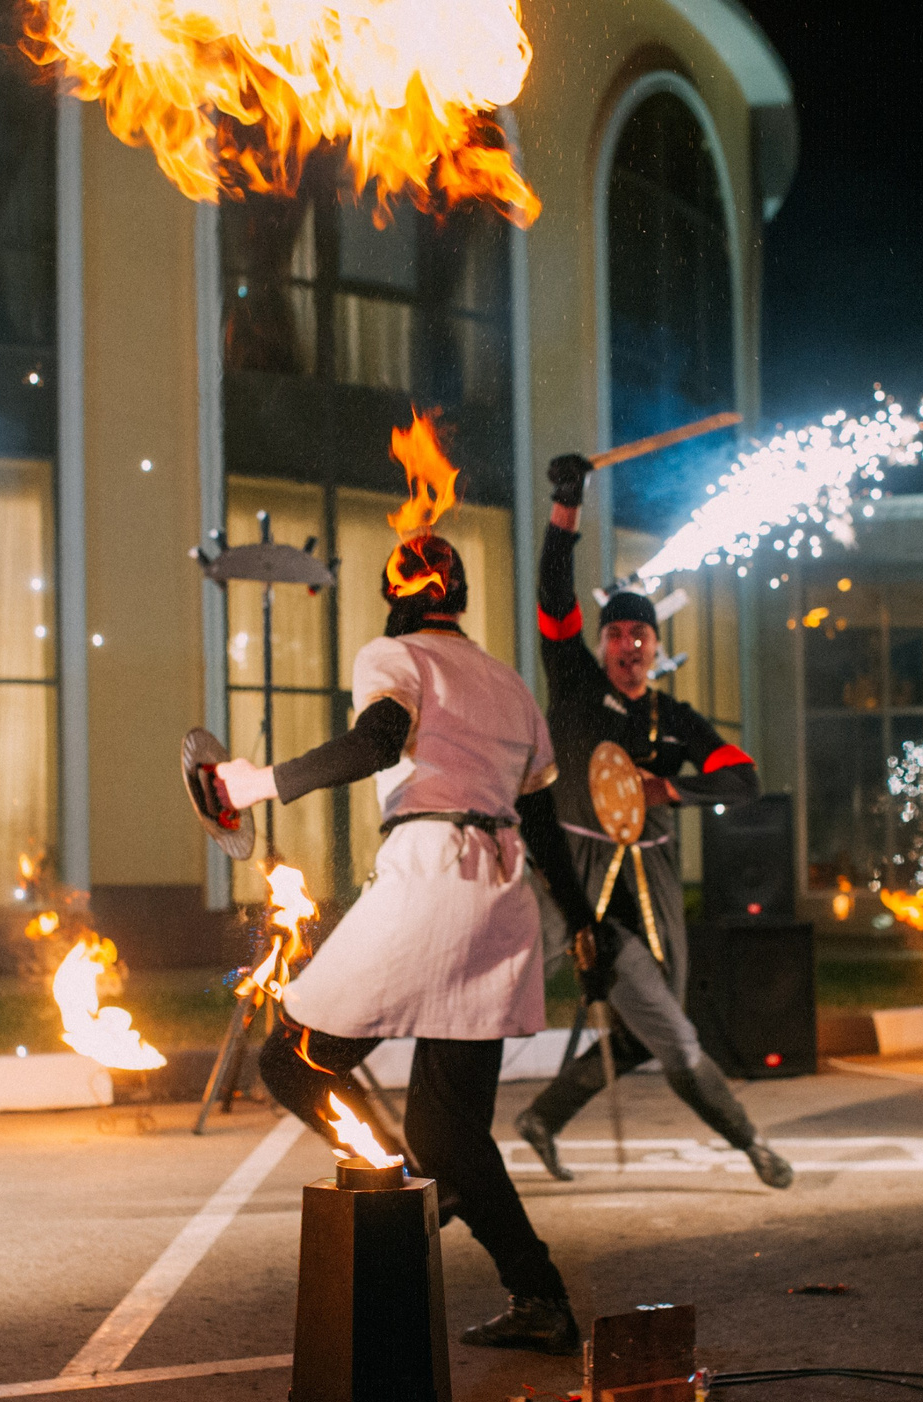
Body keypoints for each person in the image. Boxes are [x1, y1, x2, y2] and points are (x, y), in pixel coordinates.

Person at [212, 527, 614, 1356]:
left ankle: (395, 1189)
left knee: (294, 1059)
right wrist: (583, 923)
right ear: (458, 597)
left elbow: (376, 742)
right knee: (452, 1134)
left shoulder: (393, 655)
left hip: (431, 877)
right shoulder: (509, 684)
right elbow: (542, 819)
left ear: (395, 597)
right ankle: (540, 1295)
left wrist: (259, 784)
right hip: (502, 897)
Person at [511, 452, 794, 1190]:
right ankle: (446, 1119)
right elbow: (552, 593)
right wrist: (566, 507)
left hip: (652, 885)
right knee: (502, 985)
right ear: (602, 644)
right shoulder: (574, 683)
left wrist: (669, 789)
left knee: (657, 1026)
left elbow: (744, 778)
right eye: (616, 635)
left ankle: (549, 1118)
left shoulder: (677, 720)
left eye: (640, 635)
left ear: (656, 647)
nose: (628, 646)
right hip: (571, 873)